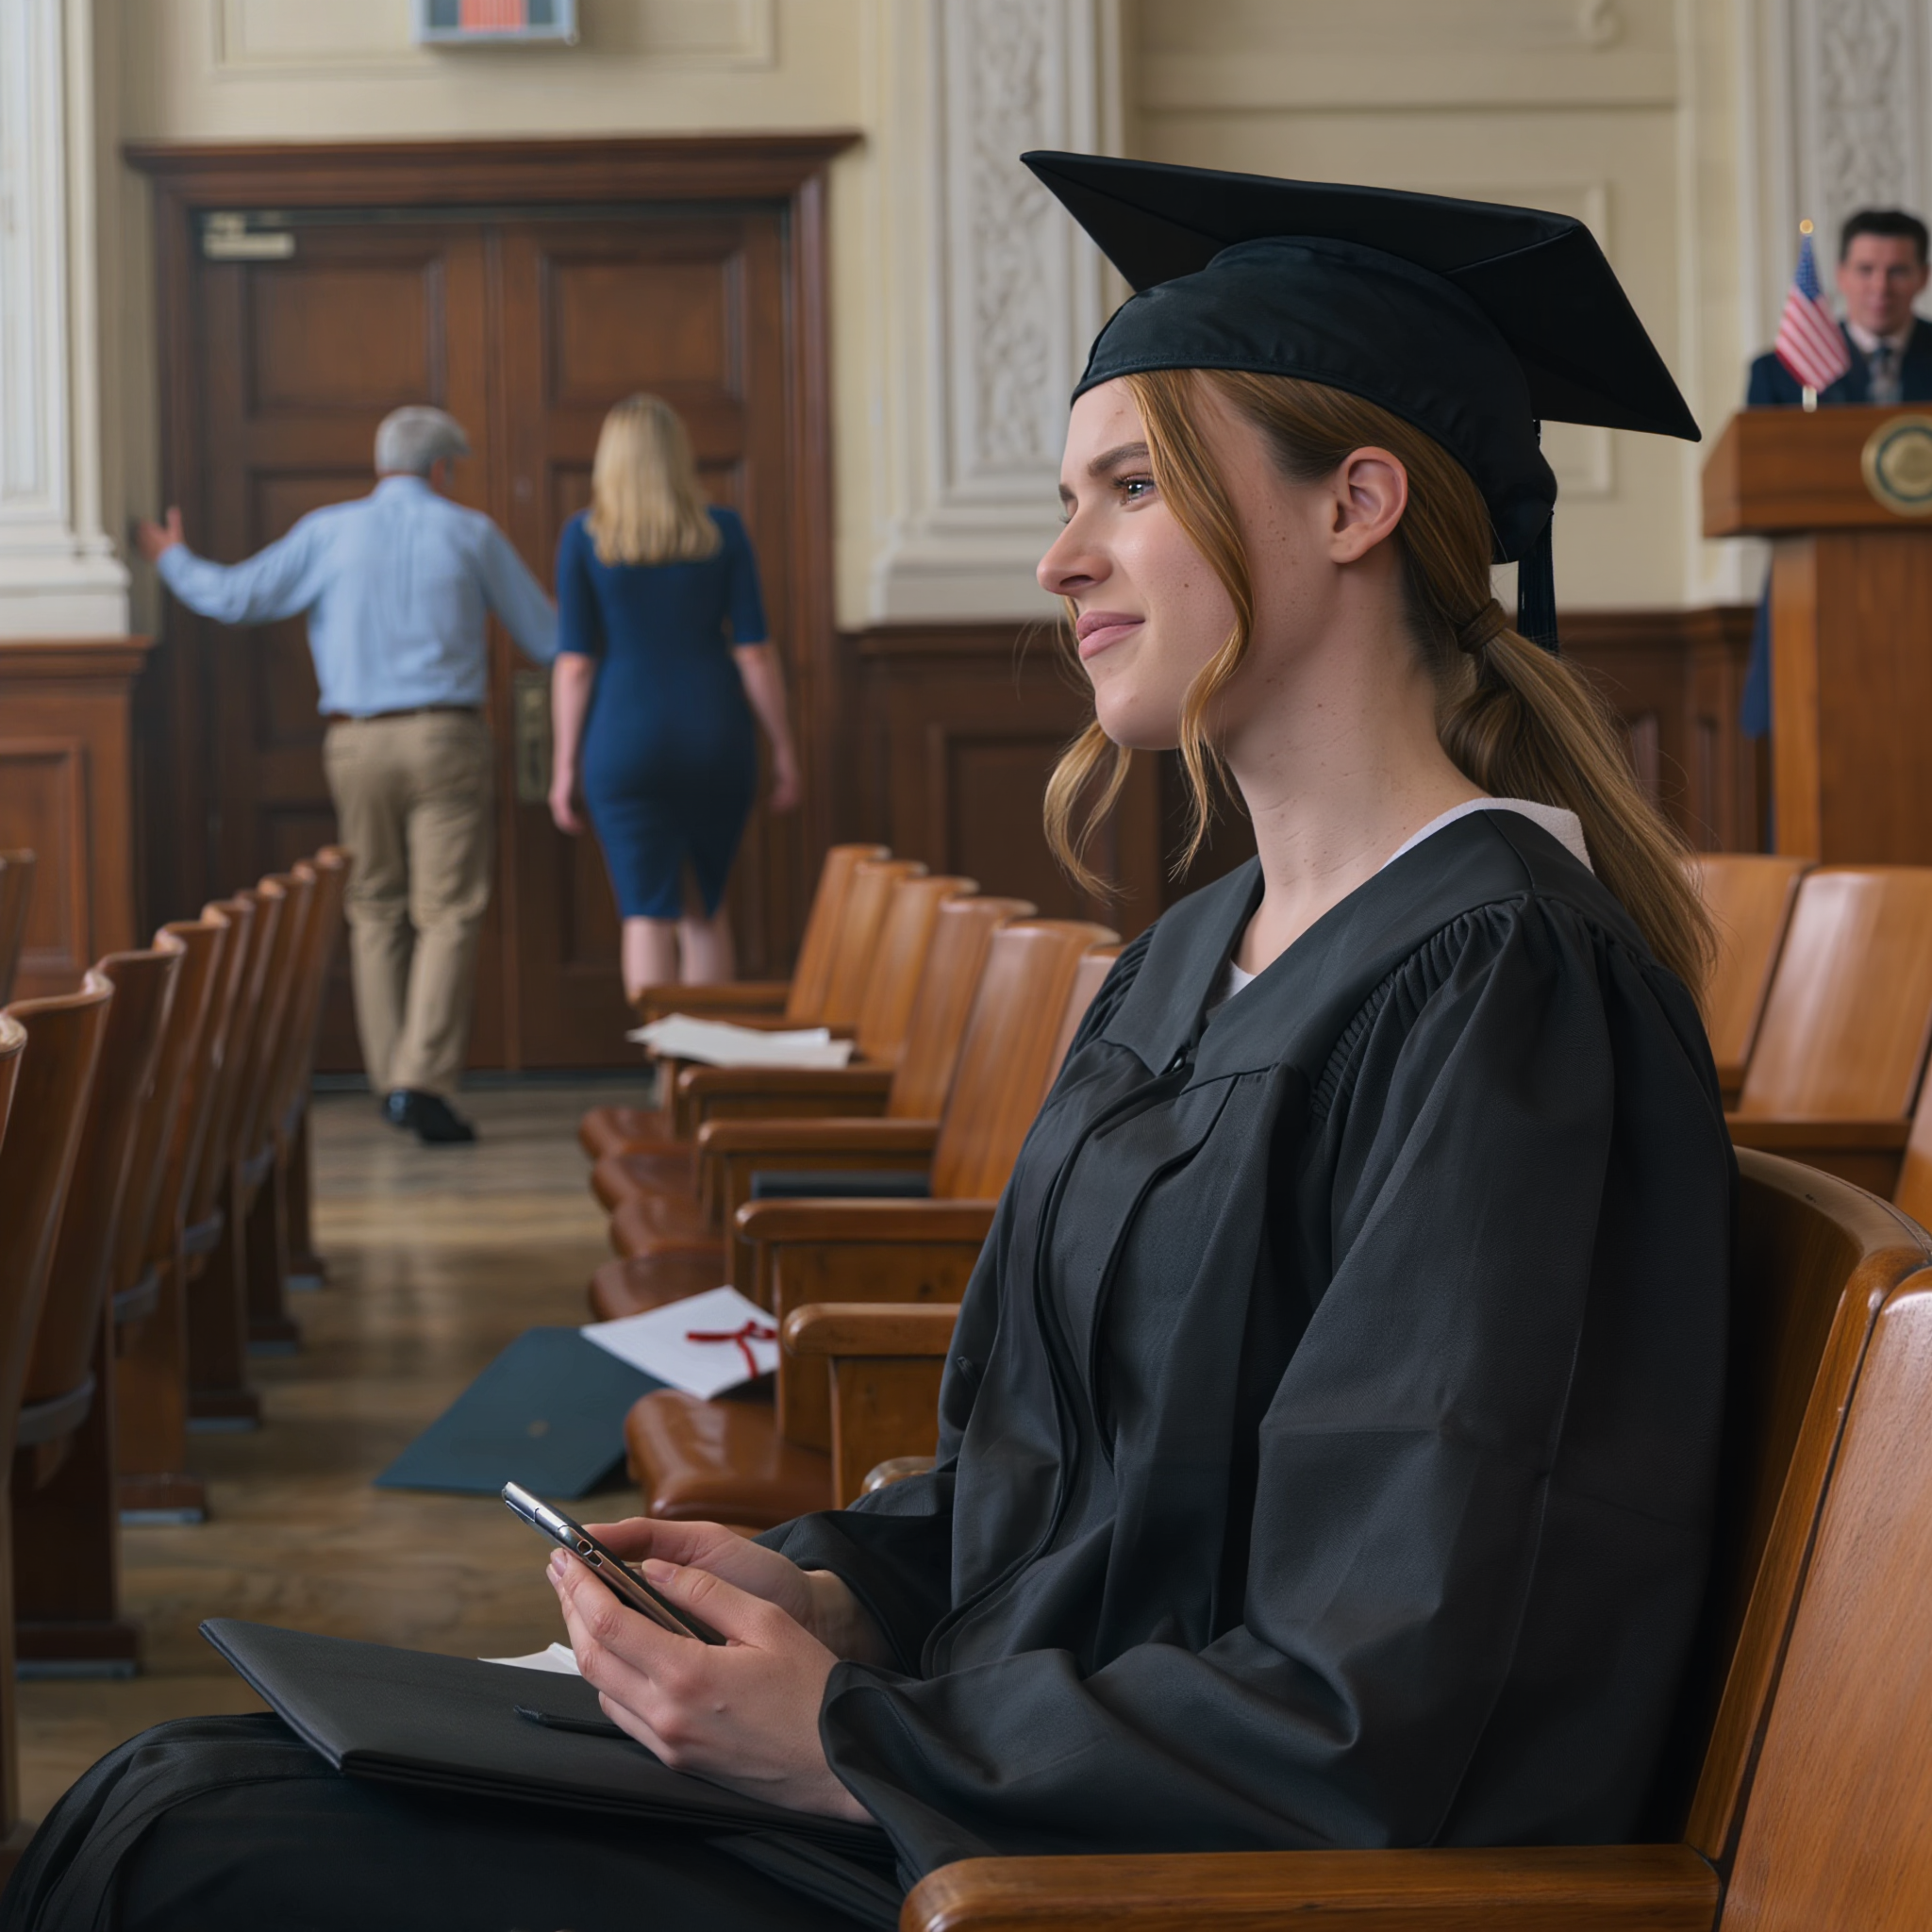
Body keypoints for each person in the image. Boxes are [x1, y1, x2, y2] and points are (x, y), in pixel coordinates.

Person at [14, 158, 1732, 1929]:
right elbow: (1050, 1484)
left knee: (188, 1851)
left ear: (1353, 503)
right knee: (179, 1781)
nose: (1059, 558)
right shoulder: (1189, 958)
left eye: (1128, 488)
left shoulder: (1502, 989)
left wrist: (841, 1735)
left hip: (1115, 1874)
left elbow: (1394, 1696)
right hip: (984, 1786)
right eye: (1072, 496)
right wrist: (829, 1593)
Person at [136, 407, 558, 1146]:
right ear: (441, 470)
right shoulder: (471, 532)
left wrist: (172, 557)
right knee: (448, 912)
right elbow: (549, 638)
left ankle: (392, 1080)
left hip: (355, 744)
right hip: (445, 736)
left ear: (381, 466)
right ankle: (420, 1083)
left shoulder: (328, 531)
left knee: (374, 908)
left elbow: (234, 598)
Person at [549, 394, 799, 1000]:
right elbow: (754, 652)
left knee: (645, 911)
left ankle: (665, 1077)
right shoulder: (724, 531)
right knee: (705, 905)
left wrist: (563, 768)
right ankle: (702, 1079)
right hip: (714, 734)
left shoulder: (584, 538)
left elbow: (576, 664)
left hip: (623, 737)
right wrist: (786, 750)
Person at [1740, 208, 1932, 738]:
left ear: (1923, 277)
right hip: (1815, 595)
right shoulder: (1781, 373)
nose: (1880, 286)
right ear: (1842, 275)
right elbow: (1759, 487)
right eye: (1866, 269)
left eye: (1897, 270)